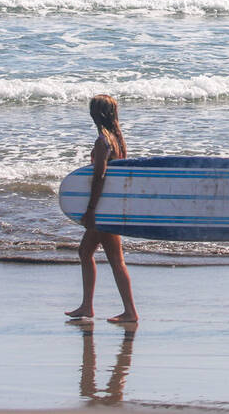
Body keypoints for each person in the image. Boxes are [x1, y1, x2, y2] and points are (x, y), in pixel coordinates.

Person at [65, 94, 139, 323]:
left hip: (103, 208)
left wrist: (91, 209)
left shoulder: (102, 141)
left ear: (95, 114)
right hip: (112, 206)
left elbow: (100, 178)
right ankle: (90, 306)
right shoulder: (118, 139)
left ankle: (127, 312)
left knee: (94, 254)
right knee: (93, 253)